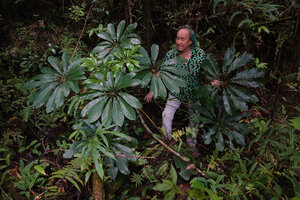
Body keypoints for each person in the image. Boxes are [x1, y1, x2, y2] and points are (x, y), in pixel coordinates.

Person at [144, 25, 206, 150]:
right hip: (176, 92)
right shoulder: (171, 55)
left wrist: (212, 81)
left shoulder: (199, 54)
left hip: (194, 93)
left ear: (190, 41)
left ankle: (191, 144)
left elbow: (205, 71)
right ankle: (167, 141)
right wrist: (152, 91)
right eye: (177, 38)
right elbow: (161, 72)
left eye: (182, 39)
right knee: (166, 115)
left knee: (194, 119)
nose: (178, 42)